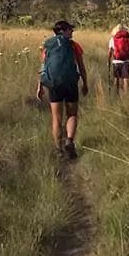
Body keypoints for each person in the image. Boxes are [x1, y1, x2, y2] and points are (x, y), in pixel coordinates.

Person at [37, 20, 88, 159]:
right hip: (70, 83)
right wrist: (85, 83)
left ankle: (59, 150)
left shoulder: (48, 45)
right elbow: (81, 67)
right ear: (63, 31)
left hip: (54, 84)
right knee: (72, 114)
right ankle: (69, 141)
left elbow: (43, 67)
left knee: (56, 117)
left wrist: (40, 86)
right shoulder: (73, 45)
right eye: (70, 29)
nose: (72, 32)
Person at [107, 23, 129, 93]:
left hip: (116, 61)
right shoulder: (127, 38)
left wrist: (109, 61)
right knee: (125, 78)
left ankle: (116, 94)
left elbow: (110, 52)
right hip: (127, 61)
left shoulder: (112, 39)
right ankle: (126, 95)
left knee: (116, 78)